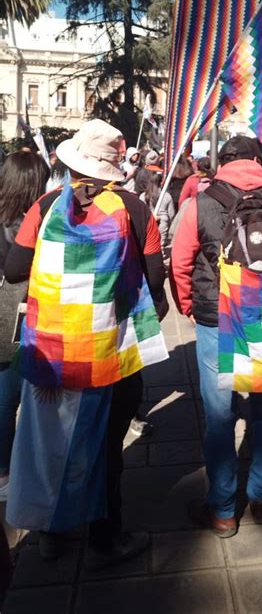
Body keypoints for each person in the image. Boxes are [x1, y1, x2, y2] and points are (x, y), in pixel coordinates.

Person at [5, 119, 169, 566]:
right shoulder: (136, 208)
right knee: (104, 447)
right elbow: (156, 281)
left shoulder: (44, 206)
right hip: (109, 351)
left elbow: (15, 269)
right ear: (116, 166)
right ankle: (104, 539)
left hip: (52, 352)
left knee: (50, 442)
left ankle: (52, 535)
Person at [170, 136, 262, 537]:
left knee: (219, 415)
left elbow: (180, 263)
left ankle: (222, 510)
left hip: (216, 317)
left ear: (223, 161)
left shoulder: (199, 202)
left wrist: (189, 306)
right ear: (258, 161)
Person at [0, 152, 50, 502]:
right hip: (22, 317)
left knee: (3, 399)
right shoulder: (32, 221)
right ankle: (18, 470)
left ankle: (3, 470)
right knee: (23, 398)